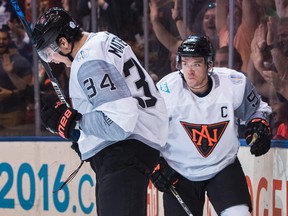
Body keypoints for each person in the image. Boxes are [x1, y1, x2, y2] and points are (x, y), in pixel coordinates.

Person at [32, 7, 168, 216]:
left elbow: (120, 124)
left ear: (63, 43)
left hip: (124, 152)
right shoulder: (102, 40)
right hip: (131, 149)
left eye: (48, 52)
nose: (50, 60)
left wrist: (74, 123)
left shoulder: (88, 61)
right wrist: (80, 135)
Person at [150, 36, 272, 216]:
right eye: (185, 63)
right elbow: (146, 130)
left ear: (209, 64)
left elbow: (257, 110)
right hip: (178, 172)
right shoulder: (165, 91)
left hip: (223, 167)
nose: (189, 71)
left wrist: (259, 124)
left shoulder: (233, 83)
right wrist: (155, 164)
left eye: (197, 64)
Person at [0, 29, 33, 128]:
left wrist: (11, 93)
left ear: (10, 41)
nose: (1, 42)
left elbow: (29, 91)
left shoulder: (20, 62)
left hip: (13, 113)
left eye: (4, 39)